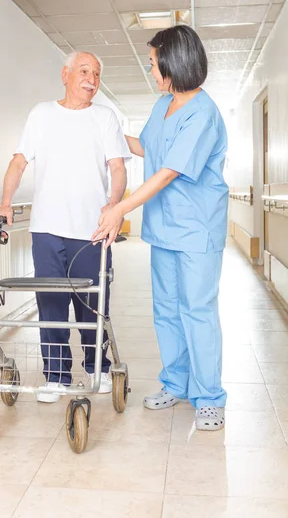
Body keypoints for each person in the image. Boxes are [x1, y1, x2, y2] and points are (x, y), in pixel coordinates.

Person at [92, 25, 229, 431]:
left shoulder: (203, 113)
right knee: (167, 309)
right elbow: (148, 147)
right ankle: (176, 382)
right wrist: (106, 131)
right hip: (165, 228)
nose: (151, 71)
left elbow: (169, 171)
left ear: (174, 62)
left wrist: (120, 209)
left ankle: (209, 397)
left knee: (197, 310)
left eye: (153, 64)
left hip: (197, 228)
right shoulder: (162, 105)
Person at [0, 51, 131, 403]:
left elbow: (117, 167)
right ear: (65, 75)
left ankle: (96, 366)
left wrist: (113, 203)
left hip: (92, 229)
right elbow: (19, 162)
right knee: (51, 303)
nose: (91, 79)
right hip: (47, 227)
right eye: (84, 71)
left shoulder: (105, 117)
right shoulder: (42, 114)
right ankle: (56, 375)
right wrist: (6, 201)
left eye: (97, 74)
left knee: (93, 302)